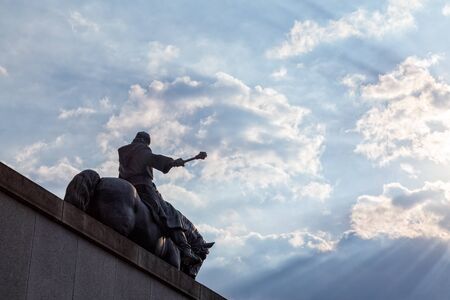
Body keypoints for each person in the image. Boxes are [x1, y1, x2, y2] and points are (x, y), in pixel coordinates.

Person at [118, 131, 201, 264]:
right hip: (143, 187)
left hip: (126, 183)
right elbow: (152, 159)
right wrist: (173, 162)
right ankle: (185, 249)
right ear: (145, 141)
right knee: (170, 213)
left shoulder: (124, 152)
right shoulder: (141, 149)